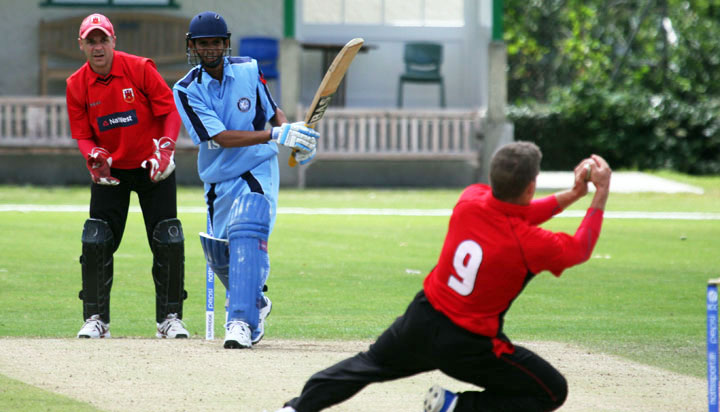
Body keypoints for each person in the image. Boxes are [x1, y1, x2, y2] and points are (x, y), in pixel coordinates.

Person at [273, 142, 612, 412]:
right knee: (551, 392)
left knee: (366, 366)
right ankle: (457, 407)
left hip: (420, 319)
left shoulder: (470, 200)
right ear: (531, 186)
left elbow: (513, 210)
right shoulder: (530, 243)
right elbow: (580, 247)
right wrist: (598, 193)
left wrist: (574, 195)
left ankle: (295, 410)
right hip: (468, 345)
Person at [172, 11, 319, 349]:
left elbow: (271, 111)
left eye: (215, 43)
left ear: (226, 44)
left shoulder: (249, 69)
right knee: (218, 251)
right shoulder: (186, 90)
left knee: (247, 230)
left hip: (258, 165)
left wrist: (291, 133)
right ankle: (257, 302)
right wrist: (277, 134)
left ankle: (240, 320)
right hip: (218, 174)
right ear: (192, 47)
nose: (209, 49)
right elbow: (220, 137)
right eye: (202, 44)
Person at [66, 13, 188, 339]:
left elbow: (169, 111)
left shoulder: (139, 68)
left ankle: (170, 318)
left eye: (102, 39)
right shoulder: (76, 85)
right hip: (112, 173)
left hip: (152, 167)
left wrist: (165, 150)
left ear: (113, 41)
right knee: (96, 239)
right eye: (90, 41)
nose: (97, 47)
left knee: (168, 238)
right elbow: (83, 136)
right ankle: (95, 319)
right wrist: (93, 156)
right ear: (82, 45)